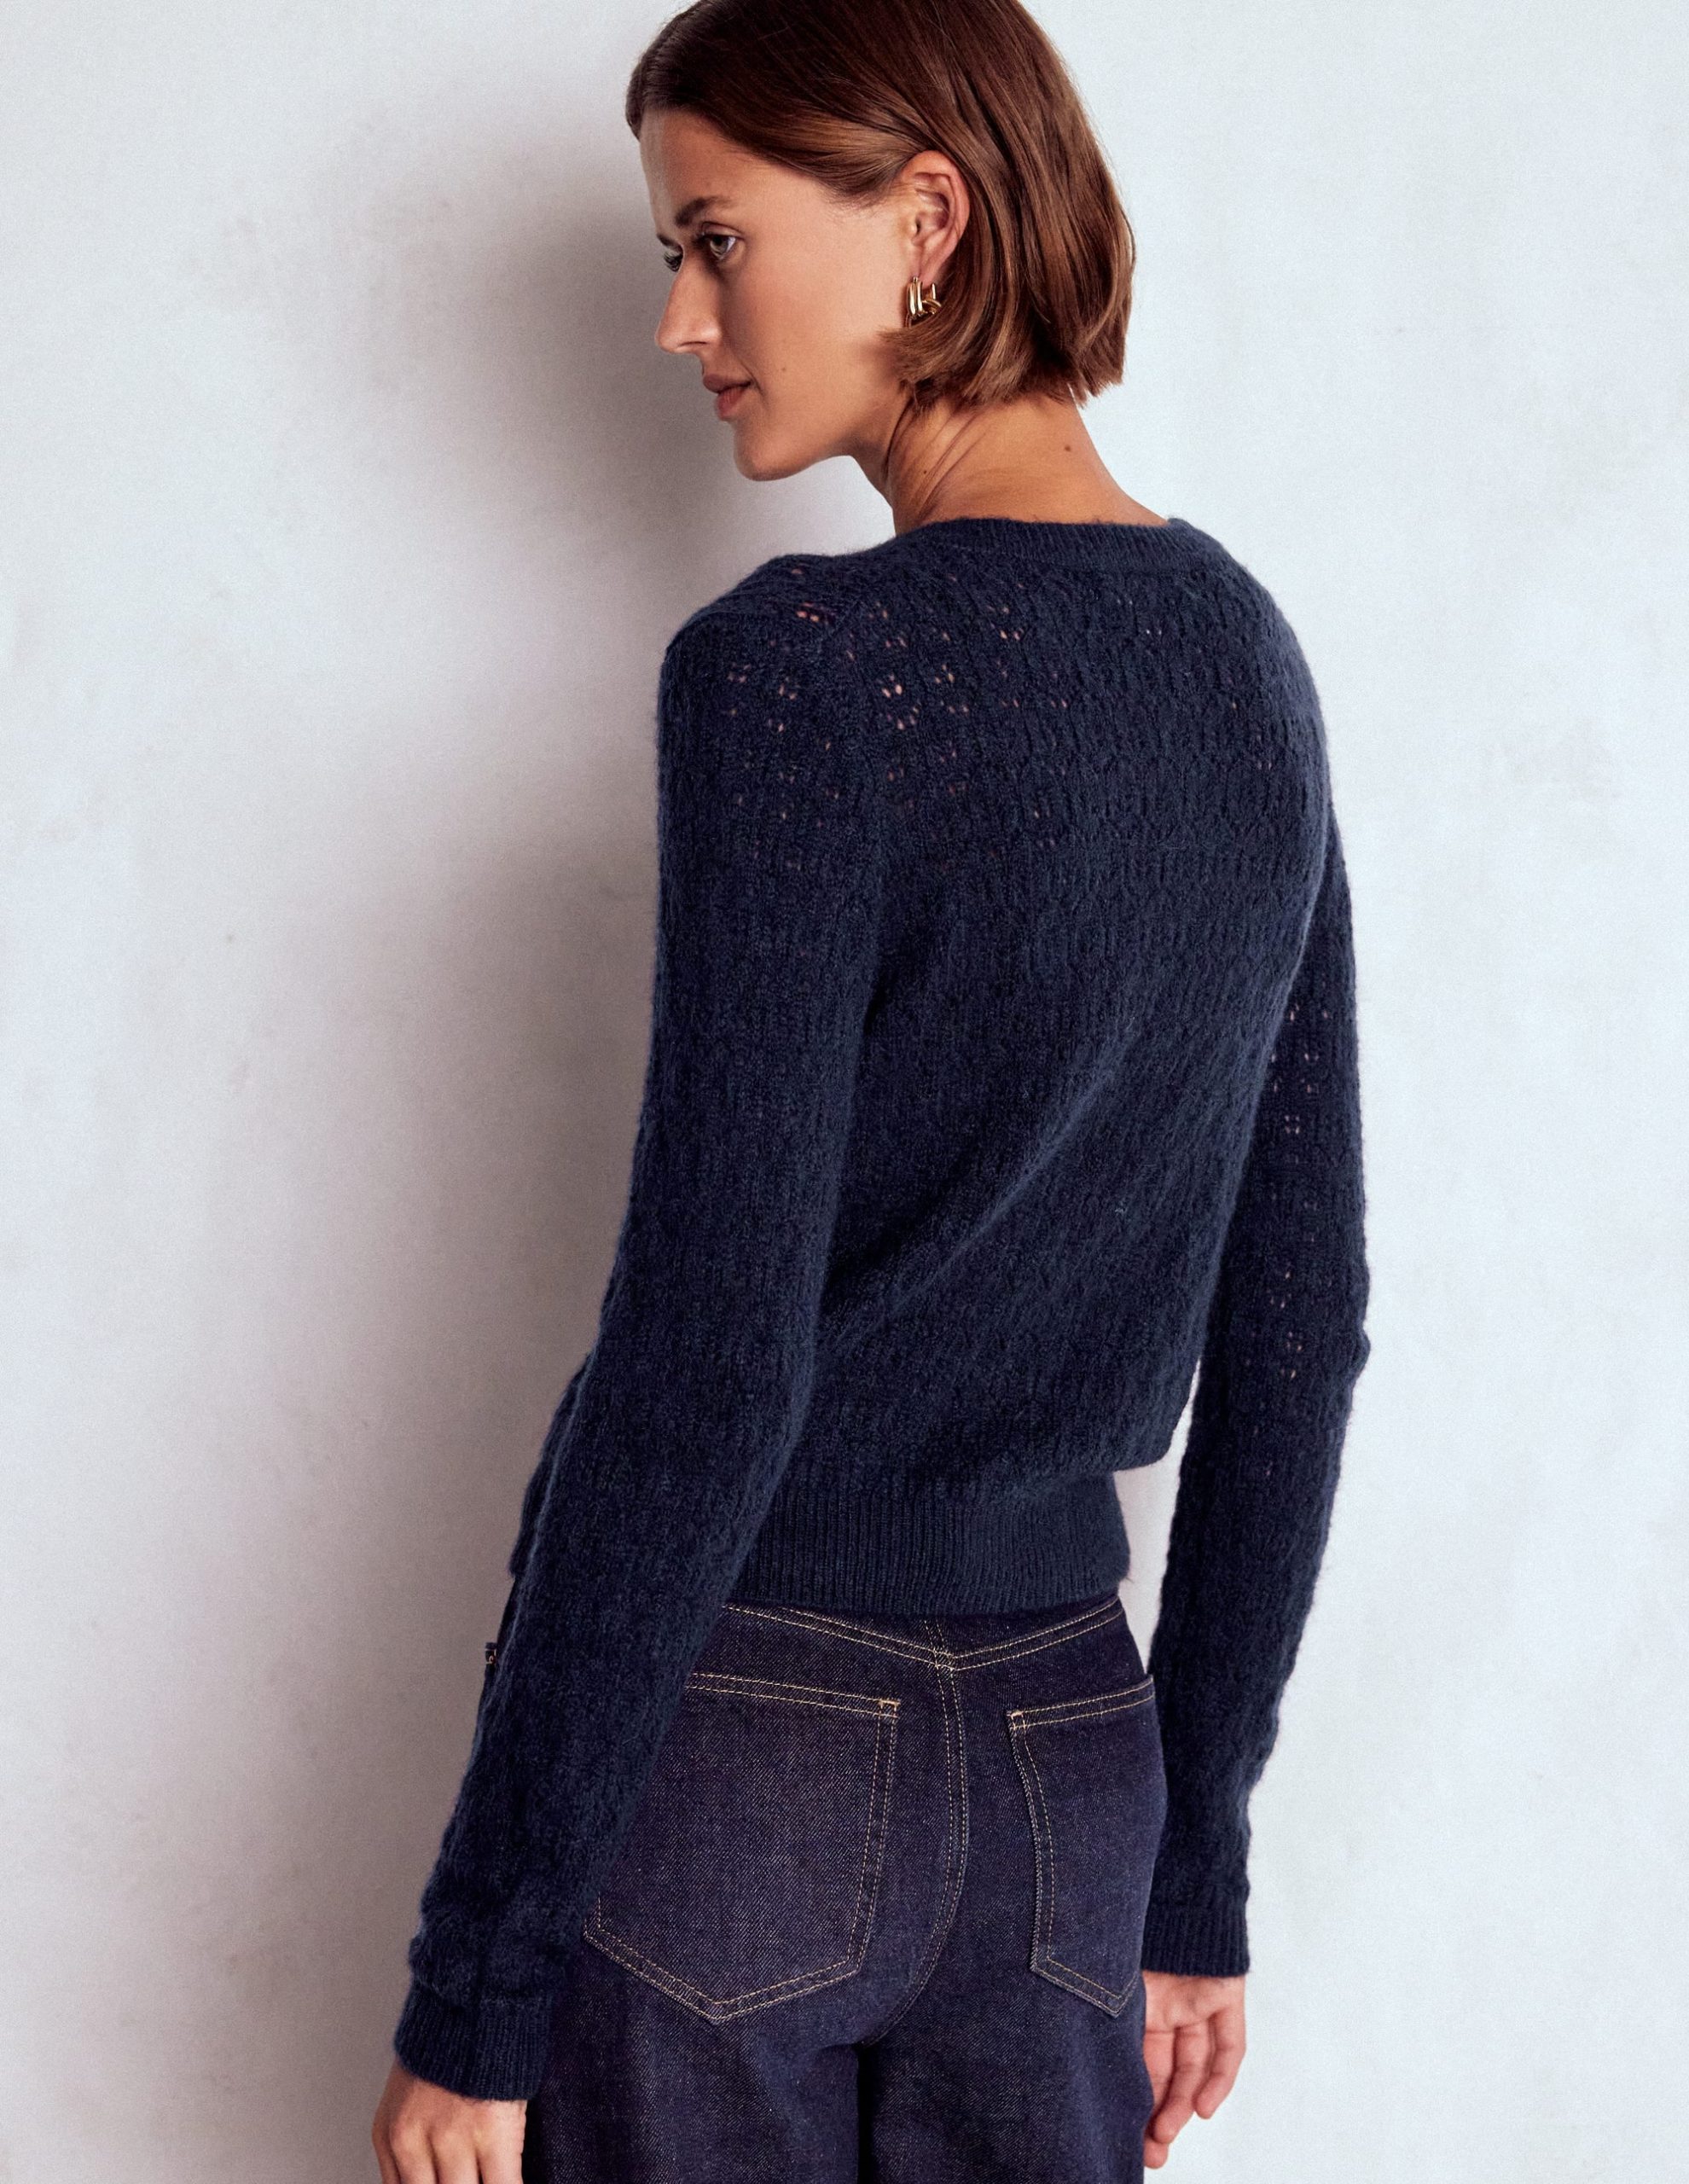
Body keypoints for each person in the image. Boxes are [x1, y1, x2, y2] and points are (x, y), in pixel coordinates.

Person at [371, 1, 1373, 2178]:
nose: (679, 320)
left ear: (929, 219)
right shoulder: (1247, 662)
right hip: (1073, 1773)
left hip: (749, 1749)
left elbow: (710, 1351)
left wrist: (483, 1974)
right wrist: (1192, 1862)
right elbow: (1299, 1323)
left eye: (717, 241)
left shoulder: (801, 674)